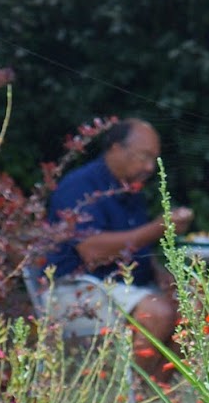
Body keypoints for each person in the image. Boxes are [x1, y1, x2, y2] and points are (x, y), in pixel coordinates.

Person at [37, 118, 192, 372]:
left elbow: (134, 246)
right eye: (144, 156)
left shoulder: (130, 190)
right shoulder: (81, 187)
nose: (149, 167)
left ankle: (160, 399)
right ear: (116, 149)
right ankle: (127, 401)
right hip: (74, 288)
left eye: (154, 159)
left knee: (191, 311)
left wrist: (160, 274)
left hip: (120, 286)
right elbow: (91, 249)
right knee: (158, 313)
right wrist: (158, 228)